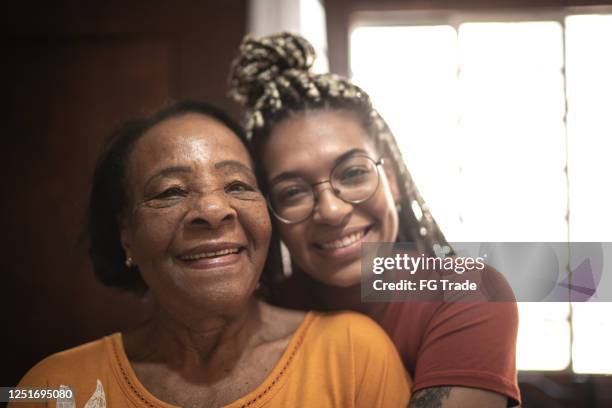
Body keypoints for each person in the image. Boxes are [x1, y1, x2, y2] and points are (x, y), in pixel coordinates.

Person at [12, 101, 410, 408]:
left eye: (237, 185)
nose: (215, 210)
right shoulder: (53, 387)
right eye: (171, 191)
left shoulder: (354, 355)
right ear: (126, 234)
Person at [228, 33, 520, 407]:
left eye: (351, 174)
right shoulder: (264, 311)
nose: (332, 211)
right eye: (293, 192)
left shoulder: (469, 295)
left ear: (393, 180)